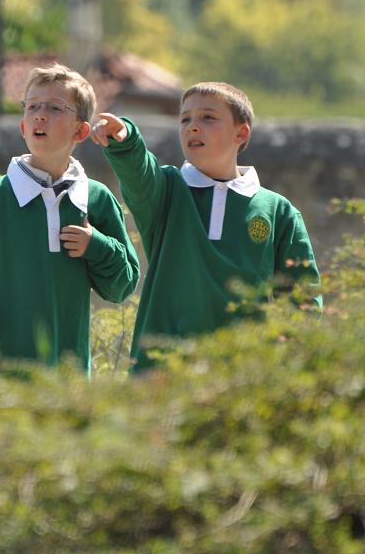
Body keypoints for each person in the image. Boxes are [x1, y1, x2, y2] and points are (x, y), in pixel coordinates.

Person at [93, 81, 321, 372]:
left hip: (244, 378)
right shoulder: (165, 192)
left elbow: (302, 297)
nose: (192, 126)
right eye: (185, 119)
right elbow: (139, 170)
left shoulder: (278, 211)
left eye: (208, 118)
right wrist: (126, 139)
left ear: (241, 133)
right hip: (161, 376)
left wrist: (286, 360)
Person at [0, 63, 139, 370]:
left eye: (55, 108)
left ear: (81, 130)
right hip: (1, 381)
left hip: (68, 382)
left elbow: (122, 286)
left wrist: (96, 246)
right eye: (32, 106)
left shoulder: (96, 199)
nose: (40, 115)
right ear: (23, 126)